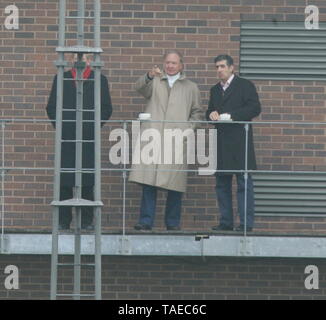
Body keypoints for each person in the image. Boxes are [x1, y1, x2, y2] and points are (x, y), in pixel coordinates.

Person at [129, 50, 204, 231]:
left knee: (174, 186)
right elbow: (139, 88)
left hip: (176, 140)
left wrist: (187, 129)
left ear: (181, 65)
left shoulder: (190, 87)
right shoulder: (155, 81)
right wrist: (148, 75)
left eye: (174, 63)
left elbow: (198, 114)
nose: (170, 66)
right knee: (148, 183)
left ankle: (172, 223)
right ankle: (146, 221)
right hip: (153, 138)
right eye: (167, 62)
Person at [46, 53, 113, 230]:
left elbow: (106, 108)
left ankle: (85, 221)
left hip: (88, 137)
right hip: (66, 136)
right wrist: (62, 127)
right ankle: (63, 220)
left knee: (87, 179)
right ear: (71, 58)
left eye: (84, 57)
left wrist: (91, 127)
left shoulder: (100, 79)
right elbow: (51, 106)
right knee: (65, 179)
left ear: (90, 59)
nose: (81, 60)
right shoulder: (61, 78)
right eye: (77, 56)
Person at [206, 54, 261, 232]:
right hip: (221, 142)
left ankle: (246, 224)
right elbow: (209, 111)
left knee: (244, 184)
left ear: (231, 68)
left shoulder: (245, 85)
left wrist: (233, 116)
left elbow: (255, 107)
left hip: (240, 142)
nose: (219, 70)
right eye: (217, 67)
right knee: (222, 184)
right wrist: (211, 115)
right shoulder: (214, 90)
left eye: (222, 66)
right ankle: (226, 222)